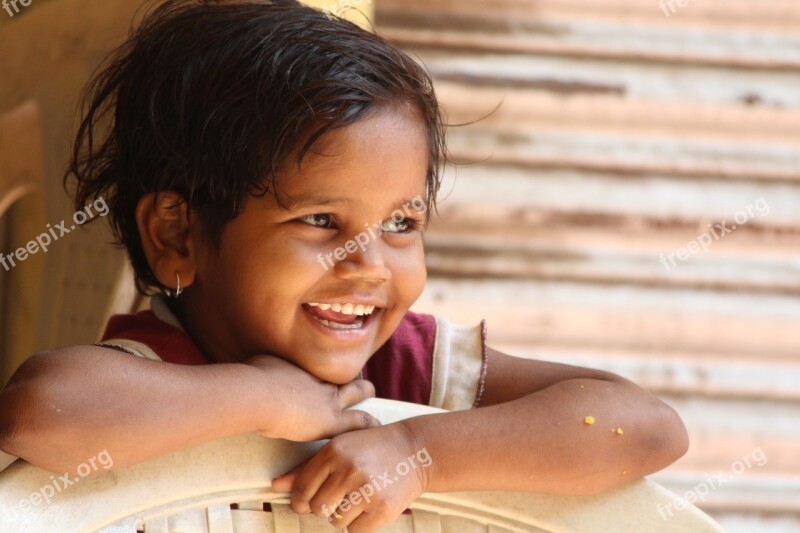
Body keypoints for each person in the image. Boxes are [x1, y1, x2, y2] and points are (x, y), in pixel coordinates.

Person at [0, 1, 689, 531]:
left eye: (400, 223)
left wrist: (418, 450)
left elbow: (646, 426)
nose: (369, 268)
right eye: (321, 220)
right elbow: (39, 416)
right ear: (177, 234)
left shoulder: (402, 369)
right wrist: (266, 397)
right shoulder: (155, 370)